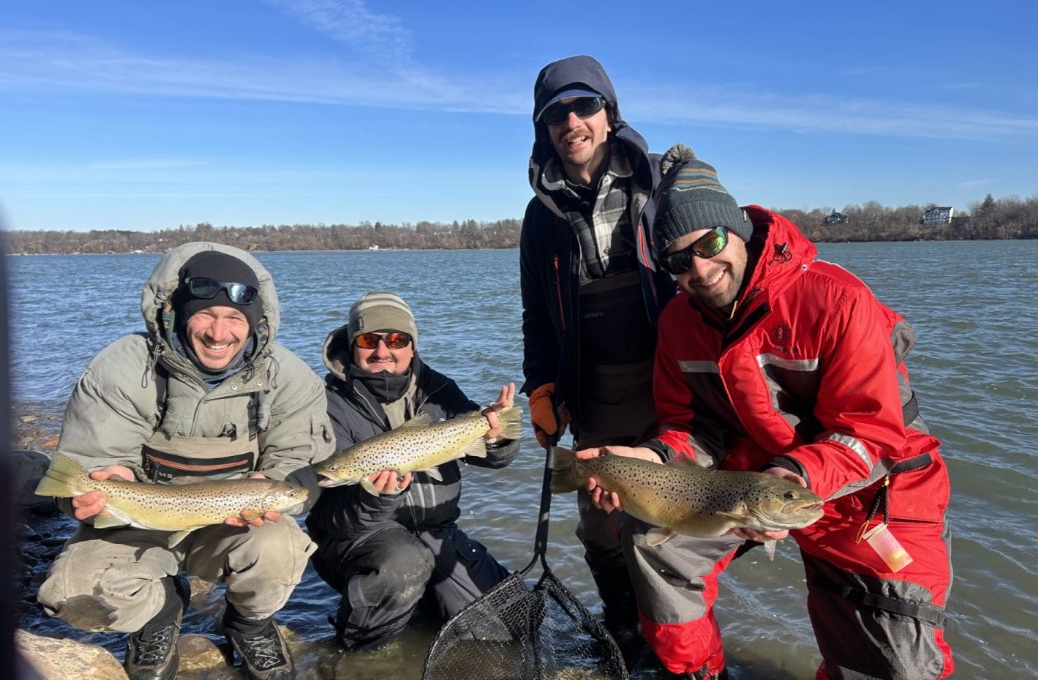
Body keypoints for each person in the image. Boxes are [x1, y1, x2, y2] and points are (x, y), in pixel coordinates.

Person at [577, 145, 954, 679]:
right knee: (650, 540)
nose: (701, 270)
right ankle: (696, 673)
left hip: (875, 489)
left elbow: (869, 431)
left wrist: (790, 475)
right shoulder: (678, 321)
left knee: (894, 664)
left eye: (709, 244)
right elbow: (691, 427)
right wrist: (652, 454)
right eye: (678, 262)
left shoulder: (838, 299)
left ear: (736, 229)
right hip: (752, 485)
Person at [37, 242, 335, 680]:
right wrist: (95, 486)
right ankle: (158, 612)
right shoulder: (121, 368)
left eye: (234, 318)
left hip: (228, 524)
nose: (219, 333)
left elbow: (298, 464)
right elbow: (92, 459)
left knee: (280, 548)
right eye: (205, 315)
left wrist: (278, 484)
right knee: (70, 596)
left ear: (254, 323)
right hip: (133, 519)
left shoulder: (289, 377)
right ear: (176, 314)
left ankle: (247, 623)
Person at [519, 54, 676, 656]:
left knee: (675, 513)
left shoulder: (662, 182)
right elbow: (537, 313)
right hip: (594, 390)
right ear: (544, 130)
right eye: (556, 114)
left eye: (584, 106)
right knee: (601, 520)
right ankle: (624, 620)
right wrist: (541, 388)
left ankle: (679, 629)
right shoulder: (540, 219)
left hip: (671, 380)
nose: (571, 122)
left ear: (610, 115)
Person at [305, 291, 520, 651]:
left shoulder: (439, 389)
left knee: (509, 626)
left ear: (411, 344)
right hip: (360, 540)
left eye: (396, 339)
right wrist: (374, 496)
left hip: (436, 532)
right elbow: (332, 519)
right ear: (351, 343)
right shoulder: (323, 404)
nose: (382, 351)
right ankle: (358, 650)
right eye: (368, 340)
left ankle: (422, 608)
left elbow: (492, 458)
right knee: (402, 563)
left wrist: (498, 433)